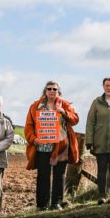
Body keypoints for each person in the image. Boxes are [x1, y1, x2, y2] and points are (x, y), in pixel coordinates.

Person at [24, 81, 80, 211]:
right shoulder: (35, 106)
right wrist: (33, 139)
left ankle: (57, 203)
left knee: (59, 175)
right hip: (43, 144)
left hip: (61, 146)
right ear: (45, 91)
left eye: (54, 89)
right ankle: (42, 205)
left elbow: (75, 120)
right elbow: (29, 125)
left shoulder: (66, 105)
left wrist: (63, 112)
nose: (52, 91)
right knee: (43, 175)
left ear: (58, 91)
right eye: (49, 89)